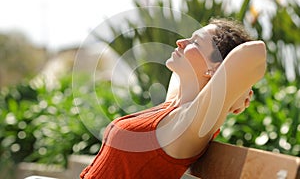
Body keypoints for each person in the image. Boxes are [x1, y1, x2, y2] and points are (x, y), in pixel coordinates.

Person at [80, 18, 267, 179]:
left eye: (195, 42)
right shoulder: (174, 106)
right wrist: (235, 94)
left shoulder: (190, 124)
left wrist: (236, 90)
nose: (180, 42)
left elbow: (254, 52)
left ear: (216, 68)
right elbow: (180, 79)